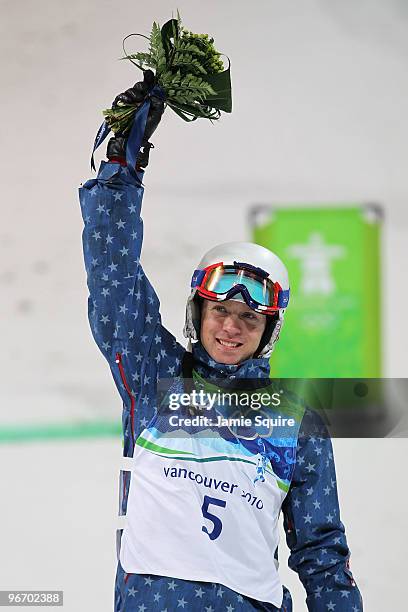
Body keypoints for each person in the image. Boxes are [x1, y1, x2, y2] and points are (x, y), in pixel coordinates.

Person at [79, 72, 363, 611]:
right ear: (199, 312)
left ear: (267, 334)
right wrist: (119, 174)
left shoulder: (295, 420)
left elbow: (322, 553)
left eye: (249, 320)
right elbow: (112, 278)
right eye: (221, 311)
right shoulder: (154, 375)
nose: (231, 327)